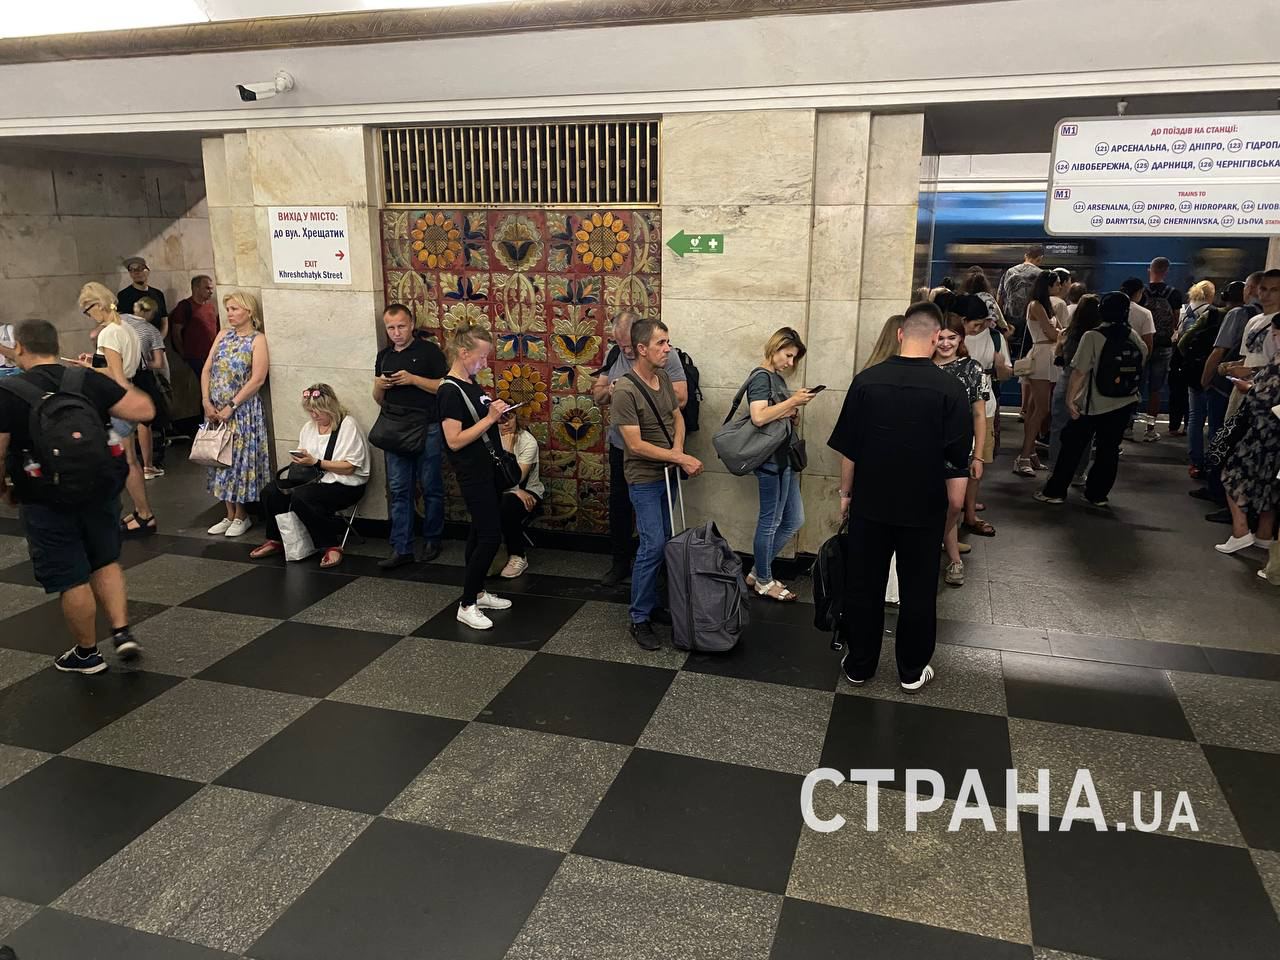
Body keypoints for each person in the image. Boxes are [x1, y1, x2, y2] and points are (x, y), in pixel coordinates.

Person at [828, 301, 972, 691]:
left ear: (900, 334)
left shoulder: (866, 382)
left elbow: (849, 450)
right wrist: (954, 510)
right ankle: (911, 670)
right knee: (919, 589)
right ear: (936, 338)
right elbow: (957, 459)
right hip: (924, 507)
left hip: (870, 504)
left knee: (864, 586)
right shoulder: (951, 388)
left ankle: (859, 665)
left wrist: (845, 495)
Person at [0, 319, 154, 673]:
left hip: (44, 496)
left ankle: (87, 653)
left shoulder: (9, 391)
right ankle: (121, 632)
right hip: (99, 488)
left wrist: (4, 489)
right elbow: (144, 410)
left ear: (19, 347)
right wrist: (106, 377)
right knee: (105, 560)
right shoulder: (84, 379)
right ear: (56, 345)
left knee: (71, 576)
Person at [611, 318, 704, 650]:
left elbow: (676, 416)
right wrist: (679, 457)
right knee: (652, 544)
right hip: (644, 478)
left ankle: (652, 604)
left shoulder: (662, 377)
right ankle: (639, 617)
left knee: (664, 540)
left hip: (667, 471)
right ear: (641, 349)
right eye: (661, 343)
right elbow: (634, 445)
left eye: (668, 342)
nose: (668, 349)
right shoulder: (624, 390)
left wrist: (677, 452)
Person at [592, 310, 689, 587]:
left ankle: (658, 572)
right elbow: (597, 394)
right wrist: (612, 391)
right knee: (620, 505)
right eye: (620, 344)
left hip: (658, 450)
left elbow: (680, 400)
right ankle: (621, 562)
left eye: (628, 346)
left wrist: (677, 452)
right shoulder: (614, 355)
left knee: (661, 523)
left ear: (640, 342)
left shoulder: (666, 358)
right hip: (622, 446)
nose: (625, 351)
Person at [1036, 292, 1148, 507]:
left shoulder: (1093, 336)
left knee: (1071, 446)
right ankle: (1097, 495)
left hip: (1093, 404)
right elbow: (1143, 357)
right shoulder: (1132, 335)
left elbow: (1079, 372)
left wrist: (1070, 400)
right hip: (1124, 402)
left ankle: (1055, 491)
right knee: (1109, 450)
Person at [438, 323, 514, 631]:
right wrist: (490, 419)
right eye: (481, 357)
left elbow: (478, 423)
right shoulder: (449, 390)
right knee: (490, 536)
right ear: (463, 353)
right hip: (472, 473)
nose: (484, 363)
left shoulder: (470, 383)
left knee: (478, 533)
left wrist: (496, 415)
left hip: (487, 469)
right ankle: (467, 604)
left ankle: (478, 592)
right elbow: (454, 440)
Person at [250, 384, 369, 569]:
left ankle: (331, 544)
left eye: (318, 411)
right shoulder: (309, 427)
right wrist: (302, 459)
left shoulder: (348, 425)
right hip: (313, 479)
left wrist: (316, 462)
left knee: (303, 497)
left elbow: (350, 468)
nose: (314, 416)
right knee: (271, 491)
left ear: (330, 407)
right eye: (310, 411)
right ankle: (276, 539)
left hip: (345, 484)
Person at [78, 282, 159, 539]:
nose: (88, 316)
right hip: (129, 390)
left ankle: (144, 514)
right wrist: (92, 364)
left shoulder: (108, 334)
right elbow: (120, 368)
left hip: (117, 399)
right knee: (129, 459)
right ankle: (140, 511)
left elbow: (117, 376)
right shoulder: (126, 327)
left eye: (87, 310)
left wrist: (90, 370)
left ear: (98, 305)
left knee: (127, 461)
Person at [373, 303, 448, 570]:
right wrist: (379, 385)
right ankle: (401, 546)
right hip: (395, 427)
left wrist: (413, 379)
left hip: (427, 426)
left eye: (401, 326)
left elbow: (444, 387)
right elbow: (378, 399)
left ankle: (433, 539)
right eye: (391, 328)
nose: (396, 333)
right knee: (398, 489)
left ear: (412, 324)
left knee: (431, 486)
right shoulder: (384, 357)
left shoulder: (429, 352)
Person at [741, 327, 814, 602]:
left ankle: (757, 572)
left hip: (784, 458)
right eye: (788, 355)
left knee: (793, 519)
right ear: (775, 347)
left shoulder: (775, 378)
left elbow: (772, 414)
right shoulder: (761, 377)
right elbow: (758, 417)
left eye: (794, 358)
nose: (790, 362)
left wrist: (791, 412)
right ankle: (763, 580)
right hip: (771, 461)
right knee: (770, 522)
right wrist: (793, 401)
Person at [203, 290, 270, 538]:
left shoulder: (257, 340)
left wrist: (231, 405)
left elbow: (258, 378)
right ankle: (228, 512)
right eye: (228, 309)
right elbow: (207, 369)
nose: (230, 314)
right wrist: (206, 401)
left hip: (242, 411)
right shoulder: (222, 335)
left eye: (234, 309)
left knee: (239, 462)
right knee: (219, 459)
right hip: (215, 410)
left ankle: (242, 514)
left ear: (248, 311)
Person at [1199, 273, 1265, 518]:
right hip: (1252, 390)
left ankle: (1218, 491)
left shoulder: (1240, 315)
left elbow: (1220, 350)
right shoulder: (1262, 319)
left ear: (1251, 288)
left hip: (1232, 386)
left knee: (1221, 438)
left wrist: (1206, 378)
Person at [1214, 323, 1280, 557]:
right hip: (1274, 436)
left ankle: (1240, 531)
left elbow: (1265, 398)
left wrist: (1248, 388)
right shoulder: (1275, 361)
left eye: (1276, 333)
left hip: (1263, 431)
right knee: (1269, 484)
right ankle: (1264, 534)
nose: (1274, 338)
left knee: (1231, 475)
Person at [932, 308, 987, 587]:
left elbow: (980, 414)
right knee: (932, 505)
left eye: (951, 337)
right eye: (940, 338)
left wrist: (978, 455)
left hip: (958, 448)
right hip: (925, 447)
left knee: (955, 504)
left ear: (961, 338)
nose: (945, 343)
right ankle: (954, 559)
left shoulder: (972, 368)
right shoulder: (923, 366)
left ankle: (935, 542)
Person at [955, 295, 1008, 538]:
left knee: (977, 463)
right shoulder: (950, 336)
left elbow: (1005, 374)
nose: (978, 329)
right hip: (955, 409)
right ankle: (951, 516)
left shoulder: (995, 337)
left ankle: (969, 514)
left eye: (982, 323)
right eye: (974, 324)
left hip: (984, 407)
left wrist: (1001, 367)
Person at [1013, 270, 1063, 477]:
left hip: (1046, 356)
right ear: (1047, 285)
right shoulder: (1036, 305)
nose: (1060, 287)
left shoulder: (1044, 305)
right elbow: (1053, 333)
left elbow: (1058, 332)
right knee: (1042, 409)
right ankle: (1024, 456)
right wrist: (1060, 334)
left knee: (1035, 409)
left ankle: (1030, 453)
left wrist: (1058, 333)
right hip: (1042, 357)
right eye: (1057, 283)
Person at [1048, 294, 1102, 475]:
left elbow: (1058, 357)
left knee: (1058, 428)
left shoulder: (1066, 333)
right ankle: (1079, 472)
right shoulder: (1097, 336)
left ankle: (1055, 470)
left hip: (1066, 380)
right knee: (1086, 432)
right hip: (1089, 384)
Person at [1177, 281, 1221, 476]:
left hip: (1196, 369)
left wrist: (1191, 359)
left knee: (1195, 416)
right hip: (1218, 373)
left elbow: (1183, 341)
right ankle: (1215, 463)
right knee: (1216, 419)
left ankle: (1196, 462)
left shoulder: (1184, 310)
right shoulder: (1215, 313)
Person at [123, 296, 170, 481]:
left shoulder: (121, 321)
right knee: (144, 422)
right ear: (151, 313)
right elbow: (159, 363)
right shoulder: (151, 330)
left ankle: (128, 463)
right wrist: (143, 362)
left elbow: (94, 335)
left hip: (118, 374)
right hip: (140, 376)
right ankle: (148, 466)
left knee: (124, 420)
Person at [998, 245, 1046, 418]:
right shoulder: (1041, 275)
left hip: (1010, 323)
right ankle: (1025, 408)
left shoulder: (1009, 272)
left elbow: (1000, 298)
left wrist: (1002, 323)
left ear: (1026, 255)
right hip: (1029, 324)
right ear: (1040, 258)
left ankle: (997, 401)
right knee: (1027, 366)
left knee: (1004, 361)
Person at [496, 408, 544, 579]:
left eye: (509, 417)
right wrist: (515, 490)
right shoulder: (488, 439)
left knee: (507, 504)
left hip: (528, 490)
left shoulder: (527, 441)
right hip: (502, 489)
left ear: (516, 417)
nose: (506, 423)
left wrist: (508, 450)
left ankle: (518, 555)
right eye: (500, 420)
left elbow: (515, 479)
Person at [168, 275, 218, 377]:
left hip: (212, 354)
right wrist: (183, 354)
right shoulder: (184, 306)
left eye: (211, 288)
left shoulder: (210, 306)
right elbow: (176, 333)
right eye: (207, 288)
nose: (211, 292)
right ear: (196, 288)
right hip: (195, 357)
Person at [115, 257, 168, 321]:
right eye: (132, 270)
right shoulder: (123, 295)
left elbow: (164, 318)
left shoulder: (158, 294)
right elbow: (122, 321)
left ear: (148, 271)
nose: (136, 272)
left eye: (140, 268)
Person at [962, 267, 1010, 335]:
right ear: (984, 283)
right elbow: (1000, 319)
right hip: (987, 332)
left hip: (967, 332)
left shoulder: (963, 298)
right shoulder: (988, 297)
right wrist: (1005, 328)